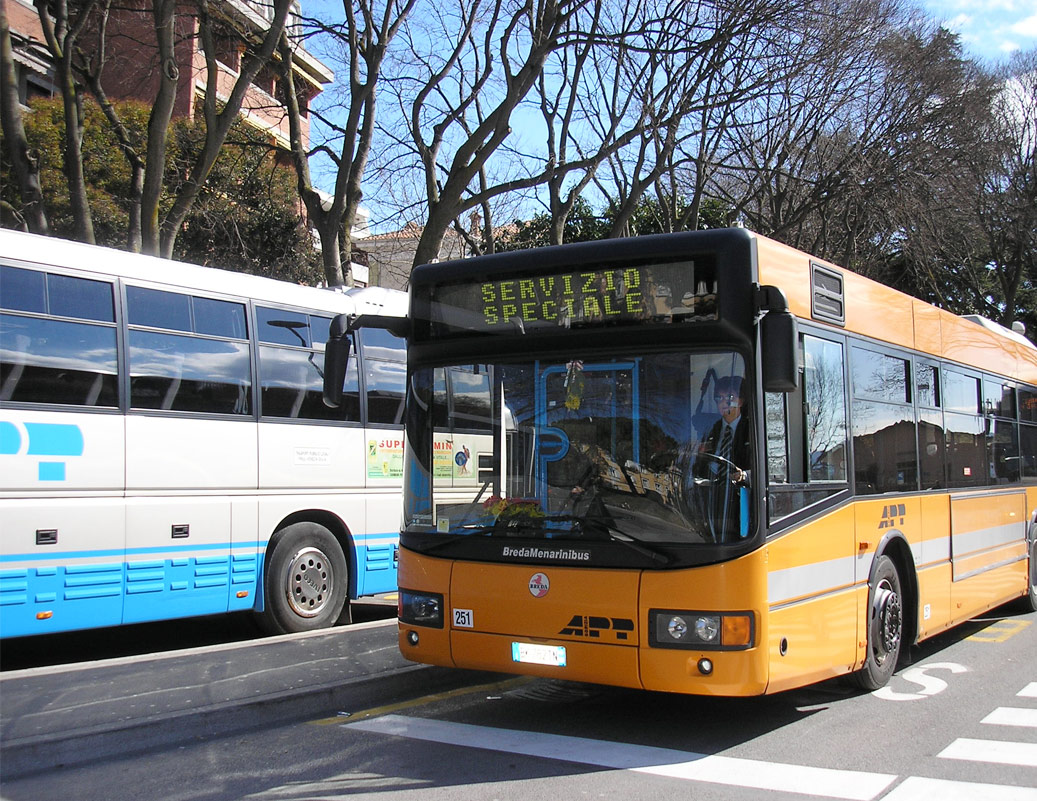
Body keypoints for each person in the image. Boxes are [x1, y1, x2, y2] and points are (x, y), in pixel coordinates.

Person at [695, 375, 751, 541]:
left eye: (730, 397)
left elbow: (767, 470)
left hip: (740, 506)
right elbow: (700, 465)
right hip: (711, 502)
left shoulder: (752, 429)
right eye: (719, 398)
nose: (724, 402)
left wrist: (744, 475)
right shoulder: (712, 429)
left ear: (741, 401)